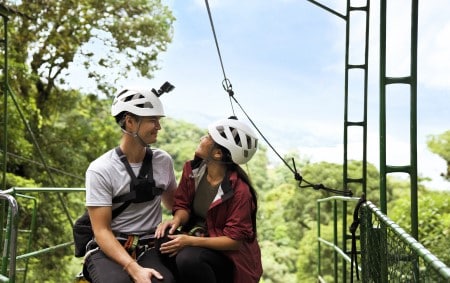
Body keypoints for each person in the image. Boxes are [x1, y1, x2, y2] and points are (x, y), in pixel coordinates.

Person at [83, 83, 177, 283]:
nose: (159, 127)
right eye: (153, 120)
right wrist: (133, 268)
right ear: (130, 122)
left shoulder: (163, 161)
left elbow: (176, 205)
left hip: (149, 246)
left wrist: (176, 219)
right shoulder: (101, 169)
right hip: (108, 248)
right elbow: (101, 231)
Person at [155, 116, 263, 283]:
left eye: (207, 137)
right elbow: (182, 204)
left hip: (227, 257)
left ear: (218, 153)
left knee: (189, 259)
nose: (201, 138)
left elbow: (234, 241)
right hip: (199, 238)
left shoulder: (240, 192)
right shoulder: (193, 171)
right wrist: (176, 220)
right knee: (162, 242)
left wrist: (190, 241)